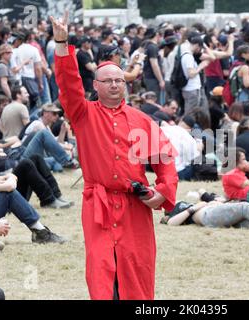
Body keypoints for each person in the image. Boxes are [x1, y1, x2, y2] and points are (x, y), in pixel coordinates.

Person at [51, 12, 178, 300]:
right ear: (95, 85)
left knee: (137, 271)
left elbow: (165, 159)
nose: (113, 85)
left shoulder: (141, 120)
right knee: (102, 272)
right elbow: (68, 84)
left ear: (126, 84)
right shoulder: (83, 114)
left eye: (119, 80)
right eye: (106, 80)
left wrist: (162, 191)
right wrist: (62, 43)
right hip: (100, 205)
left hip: (136, 207)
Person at [161, 200, 249, 231]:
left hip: (214, 211)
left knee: (245, 222)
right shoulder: (171, 213)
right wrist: (194, 208)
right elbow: (171, 223)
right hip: (206, 215)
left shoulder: (178, 203)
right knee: (243, 209)